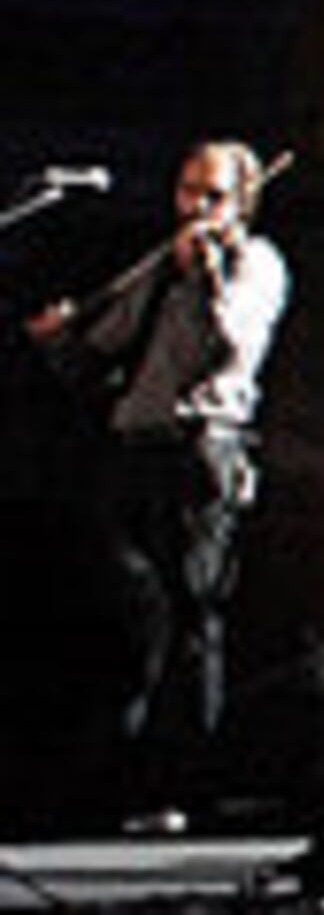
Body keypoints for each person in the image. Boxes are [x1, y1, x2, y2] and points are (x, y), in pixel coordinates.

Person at [22, 139, 289, 826]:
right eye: (186, 192)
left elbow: (235, 347)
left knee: (191, 616)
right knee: (128, 617)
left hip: (198, 452)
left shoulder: (255, 265)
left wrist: (210, 281)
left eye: (213, 196)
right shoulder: (158, 267)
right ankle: (114, 773)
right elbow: (99, 349)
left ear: (243, 202)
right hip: (132, 450)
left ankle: (183, 783)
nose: (195, 208)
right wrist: (58, 337)